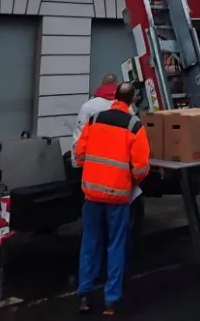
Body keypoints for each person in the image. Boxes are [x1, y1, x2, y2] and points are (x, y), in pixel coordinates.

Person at [73, 81, 150, 315]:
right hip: (118, 196)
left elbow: (79, 153)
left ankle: (84, 296)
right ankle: (110, 300)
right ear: (132, 101)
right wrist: (132, 181)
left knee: (90, 243)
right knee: (116, 245)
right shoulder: (134, 126)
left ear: (113, 97)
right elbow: (141, 167)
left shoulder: (94, 120)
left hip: (92, 194)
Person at [72, 74, 119, 164]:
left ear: (102, 85)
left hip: (92, 163)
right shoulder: (126, 107)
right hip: (118, 164)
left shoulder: (88, 106)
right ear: (117, 85)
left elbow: (79, 136)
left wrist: (77, 163)